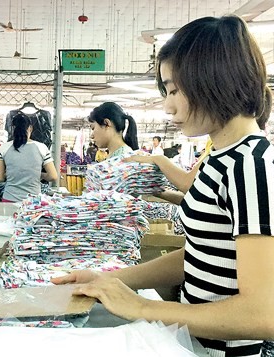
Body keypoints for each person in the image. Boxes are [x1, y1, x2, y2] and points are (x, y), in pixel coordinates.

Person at [53, 15, 274, 357]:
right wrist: (111, 279)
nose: (168, 106)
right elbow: (202, 255)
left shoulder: (250, 166)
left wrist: (142, 308)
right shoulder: (220, 156)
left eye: (175, 89)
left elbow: (263, 314)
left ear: (214, 79)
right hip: (194, 344)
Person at [0, 113, 58, 202]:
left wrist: (13, 173)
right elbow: (53, 176)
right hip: (33, 202)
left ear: (12, 129)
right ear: (30, 128)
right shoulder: (41, 148)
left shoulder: (4, 148)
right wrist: (39, 174)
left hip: (9, 199)